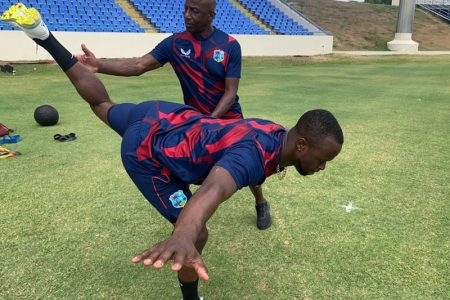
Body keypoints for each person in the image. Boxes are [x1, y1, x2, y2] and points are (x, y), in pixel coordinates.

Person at [1, 4, 344, 300]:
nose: (322, 167)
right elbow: (213, 188)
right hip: (148, 153)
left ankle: (42, 34)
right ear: (301, 146)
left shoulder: (275, 131)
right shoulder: (252, 157)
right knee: (199, 233)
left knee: (103, 104)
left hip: (162, 115)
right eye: (323, 160)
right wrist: (183, 232)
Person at [76, 0, 274, 230]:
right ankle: (187, 210)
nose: (187, 15)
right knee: (186, 162)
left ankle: (260, 201)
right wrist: (99, 65)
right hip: (191, 122)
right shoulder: (175, 43)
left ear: (211, 15)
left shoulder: (229, 45)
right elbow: (139, 65)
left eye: (195, 11)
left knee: (248, 163)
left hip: (228, 120)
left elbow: (230, 92)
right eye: (186, 9)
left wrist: (210, 120)